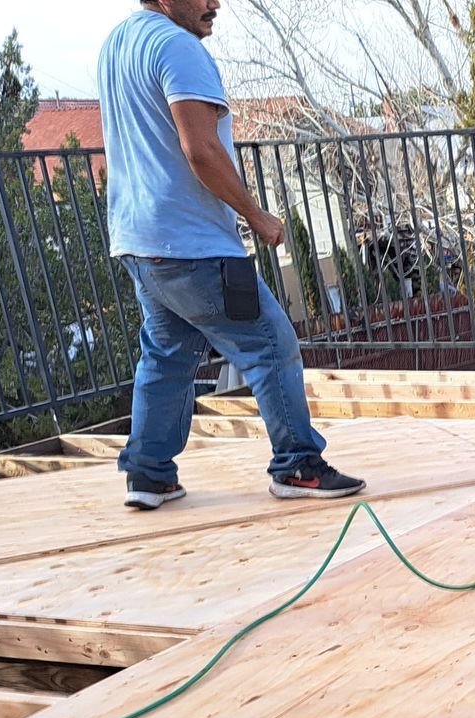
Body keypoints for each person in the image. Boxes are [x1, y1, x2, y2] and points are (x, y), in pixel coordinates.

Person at [98, 0, 363, 509]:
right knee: (270, 345)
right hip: (192, 243)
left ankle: (148, 475)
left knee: (168, 355)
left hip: (138, 241)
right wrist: (255, 215)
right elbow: (201, 149)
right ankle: (298, 465)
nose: (215, 4)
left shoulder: (118, 44)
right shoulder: (177, 46)